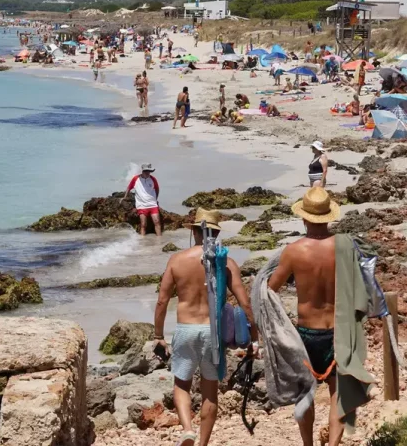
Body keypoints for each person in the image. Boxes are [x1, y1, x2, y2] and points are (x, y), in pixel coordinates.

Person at [264, 186, 372, 446]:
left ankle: (308, 445)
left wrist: (276, 329)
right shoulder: (344, 247)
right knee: (339, 394)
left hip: (305, 334)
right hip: (338, 331)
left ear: (303, 218)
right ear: (329, 217)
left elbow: (270, 291)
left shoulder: (293, 251)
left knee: (305, 394)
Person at [153, 208, 259, 446]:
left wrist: (158, 335)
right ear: (216, 233)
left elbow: (162, 301)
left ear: (194, 232)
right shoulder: (226, 262)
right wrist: (254, 337)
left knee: (181, 384)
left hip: (186, 329)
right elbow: (245, 303)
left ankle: (188, 429)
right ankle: (202, 444)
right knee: (210, 391)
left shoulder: (177, 260)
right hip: (214, 332)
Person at [121, 163, 162, 236]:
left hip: (152, 205)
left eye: (149, 171)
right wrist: (125, 197)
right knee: (143, 224)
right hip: (141, 206)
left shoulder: (153, 179)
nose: (148, 173)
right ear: (142, 171)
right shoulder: (136, 179)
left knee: (157, 222)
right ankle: (142, 243)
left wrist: (155, 199)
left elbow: (157, 189)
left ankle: (159, 241)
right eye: (146, 171)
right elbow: (129, 188)